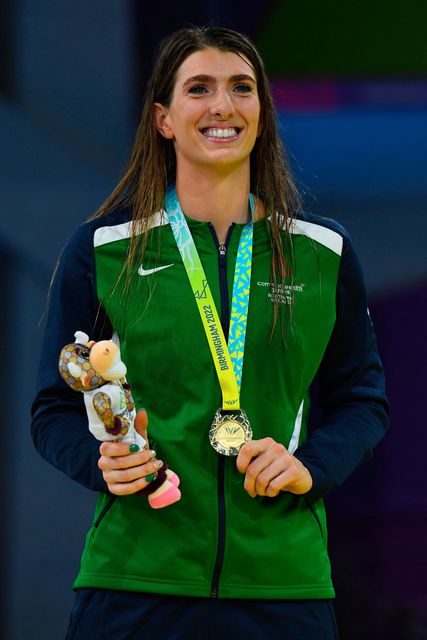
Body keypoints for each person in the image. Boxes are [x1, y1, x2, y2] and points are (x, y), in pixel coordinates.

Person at [31, 25, 389, 640]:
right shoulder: (105, 250)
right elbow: (51, 408)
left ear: (261, 113)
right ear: (164, 119)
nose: (223, 105)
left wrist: (309, 466)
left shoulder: (322, 253)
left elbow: (363, 400)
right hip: (133, 583)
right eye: (199, 88)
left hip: (283, 587)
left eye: (241, 88)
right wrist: (101, 461)